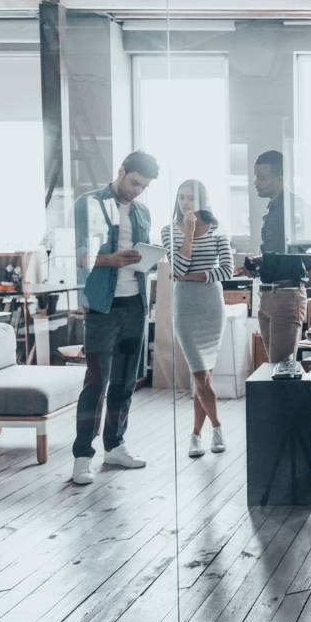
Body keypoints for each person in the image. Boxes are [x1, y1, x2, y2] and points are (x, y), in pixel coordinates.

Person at [71, 151, 159, 486]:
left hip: (135, 305)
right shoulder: (89, 204)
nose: (137, 191)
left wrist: (147, 259)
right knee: (96, 383)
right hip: (101, 308)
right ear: (121, 172)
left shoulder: (142, 212)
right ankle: (82, 456)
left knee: (125, 382)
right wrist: (112, 259)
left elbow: (142, 256)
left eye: (144, 187)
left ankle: (115, 446)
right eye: (135, 183)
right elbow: (78, 256)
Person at [161, 180, 233, 458]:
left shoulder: (217, 230)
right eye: (181, 197)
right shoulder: (169, 230)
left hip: (211, 307)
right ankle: (217, 427)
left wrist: (192, 277)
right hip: (186, 309)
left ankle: (195, 435)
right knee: (200, 374)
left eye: (190, 197)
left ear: (203, 200)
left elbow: (226, 271)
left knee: (203, 377)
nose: (185, 202)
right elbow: (177, 268)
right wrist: (189, 234)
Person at [248, 150, 311, 366]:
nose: (256, 183)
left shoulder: (296, 210)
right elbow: (280, 256)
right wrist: (257, 263)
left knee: (282, 369)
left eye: (262, 178)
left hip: (287, 297)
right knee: (275, 368)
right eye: (256, 177)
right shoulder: (272, 209)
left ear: (280, 179)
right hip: (267, 295)